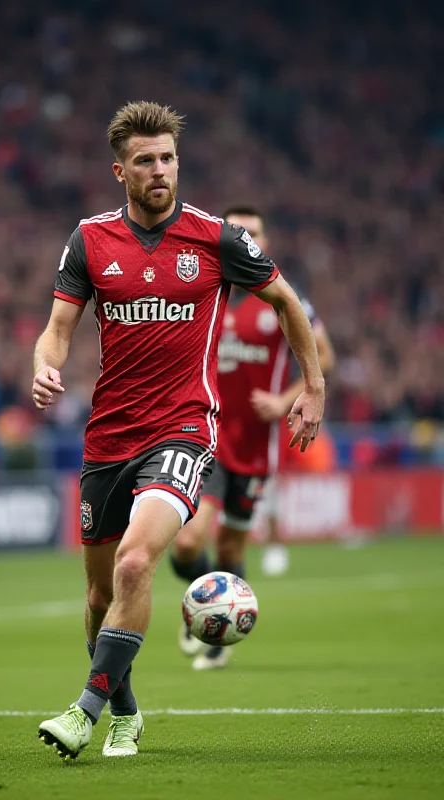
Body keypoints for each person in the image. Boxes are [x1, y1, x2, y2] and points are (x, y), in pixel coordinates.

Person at [31, 101, 325, 761]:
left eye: (167, 158)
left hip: (184, 428)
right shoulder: (88, 240)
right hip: (108, 436)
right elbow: (55, 332)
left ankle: (83, 711)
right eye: (144, 161)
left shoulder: (215, 238)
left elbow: (286, 301)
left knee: (139, 561)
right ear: (120, 171)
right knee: (101, 591)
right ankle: (125, 715)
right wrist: (44, 370)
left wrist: (314, 386)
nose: (159, 170)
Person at [171, 206, 335, 669]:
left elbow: (327, 358)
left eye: (254, 232)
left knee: (229, 549)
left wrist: (286, 400)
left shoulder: (284, 299)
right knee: (186, 544)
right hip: (202, 436)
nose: (246, 238)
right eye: (237, 231)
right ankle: (204, 607)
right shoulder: (205, 288)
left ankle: (215, 638)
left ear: (265, 239)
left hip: (255, 446)